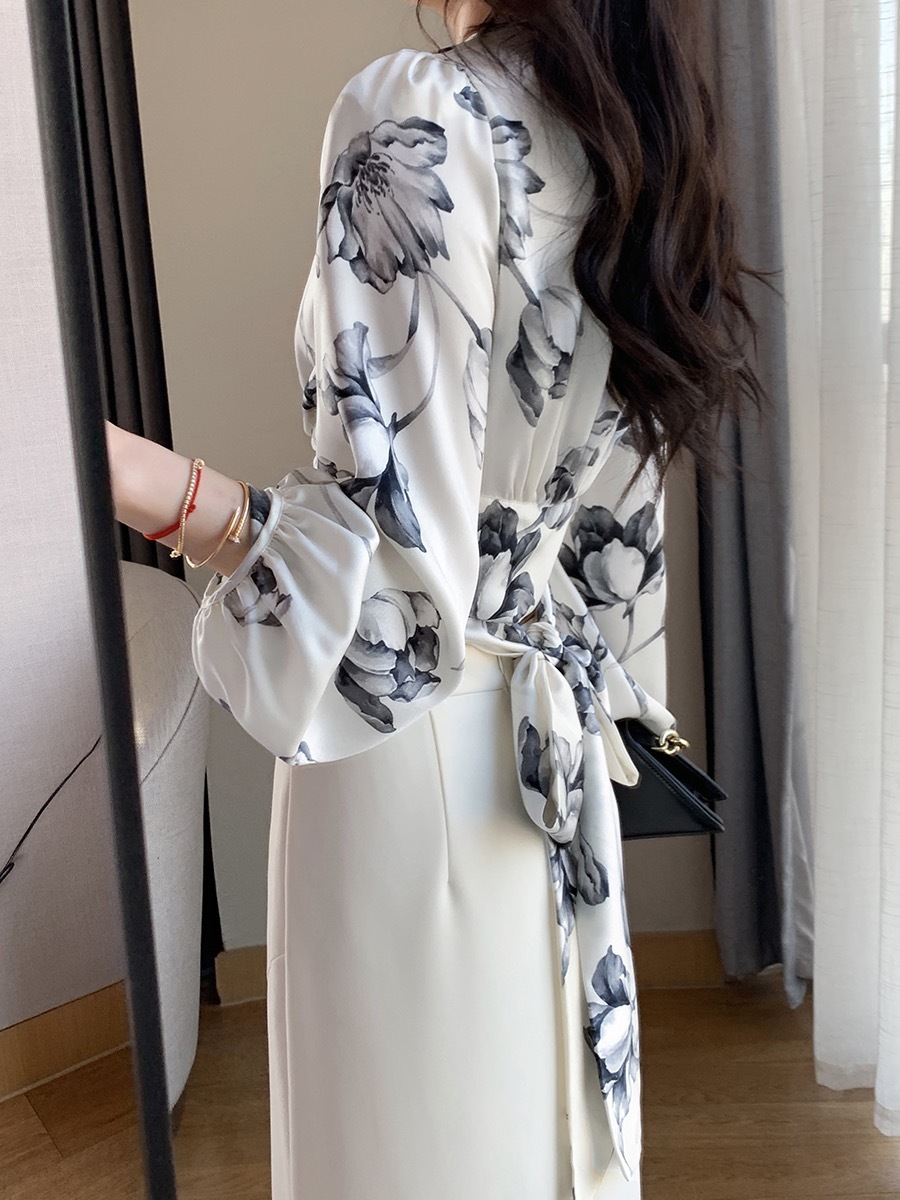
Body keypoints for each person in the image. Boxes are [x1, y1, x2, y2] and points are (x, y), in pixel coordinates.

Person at [106, 1, 763, 1196]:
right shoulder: (630, 129)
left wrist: (162, 491)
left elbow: (394, 596)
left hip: (409, 771)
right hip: (548, 758)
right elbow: (616, 545)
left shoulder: (416, 108)